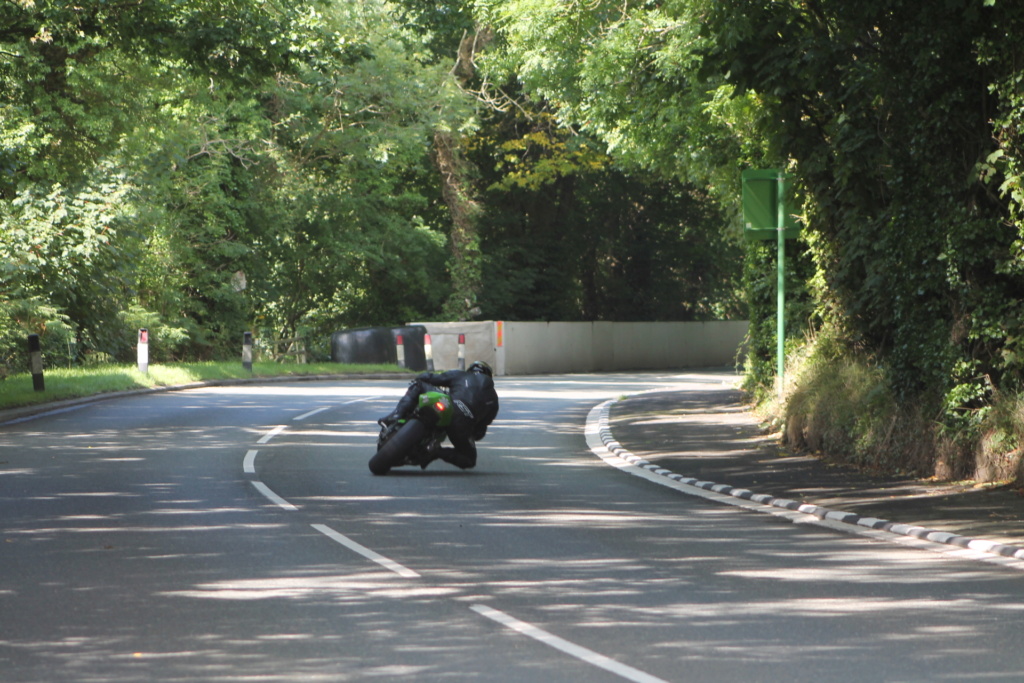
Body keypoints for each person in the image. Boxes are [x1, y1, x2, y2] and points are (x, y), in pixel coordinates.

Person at [378, 361, 499, 469]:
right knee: (469, 459)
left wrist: (421, 377)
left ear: (471, 370)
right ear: (489, 376)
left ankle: (396, 415)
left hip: (449, 405)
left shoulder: (461, 374)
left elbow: (429, 377)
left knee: (419, 385)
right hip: (462, 424)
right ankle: (436, 451)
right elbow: (479, 433)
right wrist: (468, 433)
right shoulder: (494, 400)